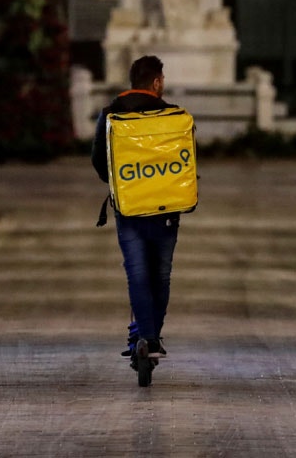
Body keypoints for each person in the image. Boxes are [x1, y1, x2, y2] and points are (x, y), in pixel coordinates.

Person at [91, 55, 187, 365]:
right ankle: (151, 337)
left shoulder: (110, 115)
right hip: (166, 209)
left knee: (137, 273)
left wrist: (122, 183)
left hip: (129, 207)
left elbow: (98, 161)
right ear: (157, 82)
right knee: (161, 275)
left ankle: (145, 336)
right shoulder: (173, 117)